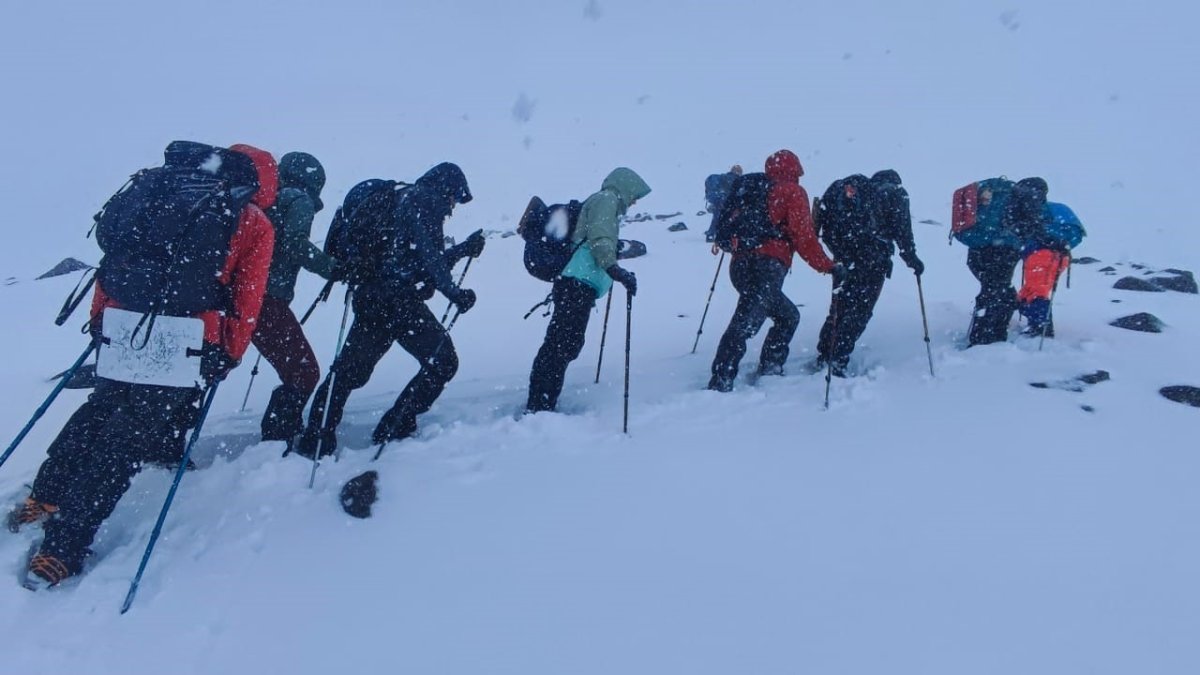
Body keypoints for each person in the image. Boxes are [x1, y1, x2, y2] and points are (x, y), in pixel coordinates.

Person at [9, 143, 277, 588]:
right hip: (187, 336)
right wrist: (230, 351)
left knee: (98, 411)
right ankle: (62, 548)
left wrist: (102, 318)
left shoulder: (157, 194)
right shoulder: (251, 220)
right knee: (125, 442)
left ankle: (46, 495)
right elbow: (248, 297)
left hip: (121, 324)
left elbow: (113, 263)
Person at [296, 163, 483, 458]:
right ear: (447, 189)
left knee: (348, 373)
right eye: (455, 199)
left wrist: (461, 250)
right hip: (398, 302)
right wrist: (456, 294)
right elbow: (429, 261)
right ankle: (394, 429)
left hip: (372, 296)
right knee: (443, 362)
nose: (452, 208)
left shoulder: (400, 197)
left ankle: (315, 440)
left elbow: (419, 261)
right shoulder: (426, 200)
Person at [708, 149, 839, 392]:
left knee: (787, 316)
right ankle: (720, 382)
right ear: (796, 170)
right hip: (766, 267)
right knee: (745, 323)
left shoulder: (749, 188)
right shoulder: (791, 191)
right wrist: (828, 266)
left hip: (739, 266)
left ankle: (769, 369)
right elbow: (804, 239)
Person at [526, 167, 650, 413]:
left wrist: (612, 264)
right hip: (577, 284)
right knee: (561, 345)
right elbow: (600, 240)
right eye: (635, 194)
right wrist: (615, 271)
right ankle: (541, 405)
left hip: (576, 284)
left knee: (561, 344)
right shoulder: (607, 200)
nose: (635, 200)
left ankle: (542, 401)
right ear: (625, 186)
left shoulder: (605, 202)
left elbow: (599, 240)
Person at [255, 152, 346, 447]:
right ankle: (276, 442)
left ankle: (165, 438)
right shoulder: (298, 199)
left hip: (236, 296)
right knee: (304, 372)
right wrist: (333, 268)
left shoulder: (262, 199)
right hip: (266, 301)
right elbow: (295, 244)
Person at [813, 169, 924, 376]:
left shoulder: (848, 191)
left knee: (840, 307)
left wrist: (841, 252)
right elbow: (903, 231)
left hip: (842, 259)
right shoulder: (895, 193)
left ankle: (825, 355)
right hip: (873, 260)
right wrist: (912, 260)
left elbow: (822, 221)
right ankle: (837, 359)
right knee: (860, 311)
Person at [967, 177, 1048, 346]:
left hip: (977, 249)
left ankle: (982, 334)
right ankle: (987, 337)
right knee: (999, 293)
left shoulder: (1002, 194)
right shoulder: (1028, 197)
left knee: (992, 290)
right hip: (1003, 251)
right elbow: (1033, 228)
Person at [1016, 201, 1083, 337]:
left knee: (1036, 292)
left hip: (1041, 255)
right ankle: (1038, 326)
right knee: (1032, 291)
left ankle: (1041, 329)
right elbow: (1077, 235)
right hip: (1056, 256)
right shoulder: (1057, 210)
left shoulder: (1035, 210)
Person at [703, 164, 743, 242]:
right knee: (724, 216)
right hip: (723, 199)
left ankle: (712, 234)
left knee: (718, 215)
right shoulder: (735, 179)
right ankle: (714, 234)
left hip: (716, 198)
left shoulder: (724, 177)